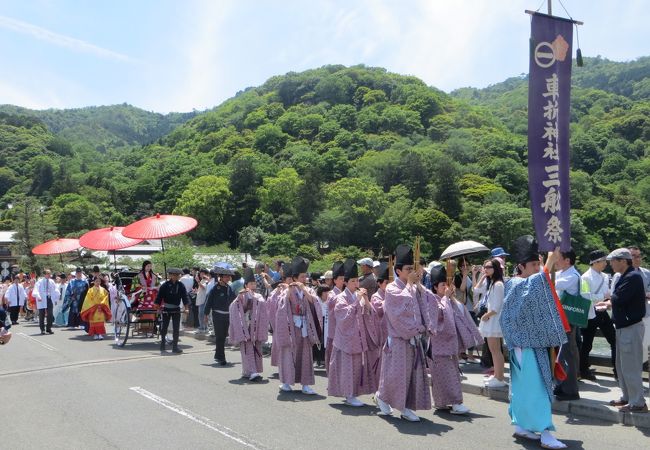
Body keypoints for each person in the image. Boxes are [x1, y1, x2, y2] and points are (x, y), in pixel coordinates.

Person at [500, 236, 570, 449]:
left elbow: (538, 291)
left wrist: (547, 266)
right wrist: (549, 264)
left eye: (538, 263)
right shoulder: (514, 283)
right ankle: (546, 432)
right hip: (527, 345)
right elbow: (533, 292)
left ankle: (522, 425)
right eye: (533, 264)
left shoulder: (523, 282)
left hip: (531, 343)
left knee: (525, 388)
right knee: (537, 388)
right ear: (520, 266)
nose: (537, 267)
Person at [374, 244, 432, 422]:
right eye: (408, 269)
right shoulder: (392, 288)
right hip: (399, 338)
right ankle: (383, 397)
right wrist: (410, 285)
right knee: (397, 375)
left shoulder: (412, 286)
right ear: (398, 271)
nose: (411, 272)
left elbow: (428, 301)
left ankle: (406, 407)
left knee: (412, 375)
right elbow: (400, 309)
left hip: (413, 338)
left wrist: (418, 285)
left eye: (413, 269)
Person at [598, 248, 647, 413]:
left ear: (623, 261)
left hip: (630, 327)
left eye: (613, 260)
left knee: (631, 366)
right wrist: (608, 302)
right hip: (623, 326)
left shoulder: (632, 277)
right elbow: (618, 298)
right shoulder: (626, 276)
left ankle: (638, 402)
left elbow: (619, 298)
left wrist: (607, 300)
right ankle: (627, 397)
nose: (611, 264)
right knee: (622, 365)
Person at [328, 258, 381, 407]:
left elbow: (370, 314)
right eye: (352, 281)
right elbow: (343, 317)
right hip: (345, 339)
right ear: (345, 282)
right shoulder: (340, 298)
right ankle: (349, 395)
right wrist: (357, 301)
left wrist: (366, 300)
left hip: (358, 337)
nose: (356, 284)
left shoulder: (359, 296)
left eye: (357, 281)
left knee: (357, 367)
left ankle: (353, 393)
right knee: (347, 368)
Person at [426, 265, 471, 414]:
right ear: (435, 286)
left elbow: (460, 312)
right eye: (442, 285)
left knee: (451, 373)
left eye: (446, 284)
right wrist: (446, 299)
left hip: (449, 344)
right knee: (442, 375)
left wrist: (450, 298)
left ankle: (449, 402)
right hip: (438, 344)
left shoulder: (446, 299)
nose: (445, 287)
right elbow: (437, 319)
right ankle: (451, 403)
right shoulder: (431, 299)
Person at [275, 256, 321, 394]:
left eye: (305, 276)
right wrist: (290, 289)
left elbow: (315, 302)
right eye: (302, 277)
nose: (304, 279)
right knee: (290, 353)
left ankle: (305, 384)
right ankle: (286, 382)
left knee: (306, 355)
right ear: (295, 278)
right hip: (292, 326)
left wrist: (305, 290)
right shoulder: (287, 290)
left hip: (305, 325)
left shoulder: (309, 290)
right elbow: (282, 304)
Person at [579, 250, 616, 381]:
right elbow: (584, 296)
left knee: (614, 339)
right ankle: (583, 370)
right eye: (603, 261)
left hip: (602, 311)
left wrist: (607, 299)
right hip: (590, 313)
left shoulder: (605, 276)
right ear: (595, 262)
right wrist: (602, 297)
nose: (605, 263)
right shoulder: (585, 277)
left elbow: (607, 293)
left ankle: (617, 370)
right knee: (587, 344)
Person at [228, 267, 269, 381]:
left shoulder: (258, 296)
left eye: (254, 283)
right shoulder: (241, 295)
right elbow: (234, 307)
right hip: (245, 325)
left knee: (256, 348)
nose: (253, 285)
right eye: (251, 283)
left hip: (255, 326)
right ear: (246, 285)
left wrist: (255, 299)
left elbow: (263, 306)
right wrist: (240, 297)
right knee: (247, 348)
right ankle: (252, 371)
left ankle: (250, 371)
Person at [553, 248, 581, 401]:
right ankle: (562, 385)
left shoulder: (573, 275)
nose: (556, 261)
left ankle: (571, 390)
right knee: (560, 353)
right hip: (561, 319)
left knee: (566, 354)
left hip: (567, 320)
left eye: (558, 258)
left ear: (567, 260)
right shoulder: (564, 273)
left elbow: (552, 283)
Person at [478, 258, 507, 388]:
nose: (486, 269)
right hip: (491, 320)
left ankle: (499, 377)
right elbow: (477, 290)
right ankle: (497, 376)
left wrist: (486, 315)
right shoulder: (493, 283)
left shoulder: (498, 284)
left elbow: (497, 306)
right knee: (493, 350)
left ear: (495, 268)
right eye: (485, 267)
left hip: (494, 320)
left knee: (495, 350)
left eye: (489, 267)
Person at [204, 266, 236, 364]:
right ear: (221, 277)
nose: (227, 278)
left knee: (223, 336)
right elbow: (208, 302)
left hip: (227, 315)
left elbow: (234, 300)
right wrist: (205, 314)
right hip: (217, 315)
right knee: (220, 336)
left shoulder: (229, 288)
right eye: (225, 276)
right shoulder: (215, 288)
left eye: (228, 277)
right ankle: (222, 358)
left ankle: (218, 355)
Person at [155, 268, 190, 354]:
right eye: (174, 275)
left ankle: (175, 346)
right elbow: (159, 297)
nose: (176, 276)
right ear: (170, 275)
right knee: (164, 327)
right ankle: (163, 343)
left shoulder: (181, 285)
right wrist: (158, 308)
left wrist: (186, 308)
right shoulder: (165, 285)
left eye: (177, 275)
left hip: (176, 309)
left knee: (176, 328)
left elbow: (185, 297)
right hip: (166, 309)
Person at [325, 261, 346, 373]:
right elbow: (332, 304)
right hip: (334, 330)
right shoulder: (332, 294)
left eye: (344, 278)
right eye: (341, 278)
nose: (343, 281)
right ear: (335, 280)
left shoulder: (344, 293)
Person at [34, 269, 60, 335]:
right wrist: (38, 296)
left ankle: (49, 328)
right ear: (44, 274)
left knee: (50, 314)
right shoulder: (39, 282)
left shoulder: (51, 281)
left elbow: (55, 290)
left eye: (49, 273)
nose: (49, 275)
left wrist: (56, 298)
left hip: (49, 298)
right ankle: (42, 329)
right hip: (42, 299)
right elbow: (36, 290)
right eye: (47, 273)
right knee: (42, 314)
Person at [313, 284, 331, 367]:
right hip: (319, 322)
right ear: (321, 293)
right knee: (319, 341)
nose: (327, 293)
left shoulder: (331, 300)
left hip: (327, 322)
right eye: (325, 292)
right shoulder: (317, 300)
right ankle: (318, 359)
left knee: (326, 341)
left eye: (328, 291)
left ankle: (324, 359)